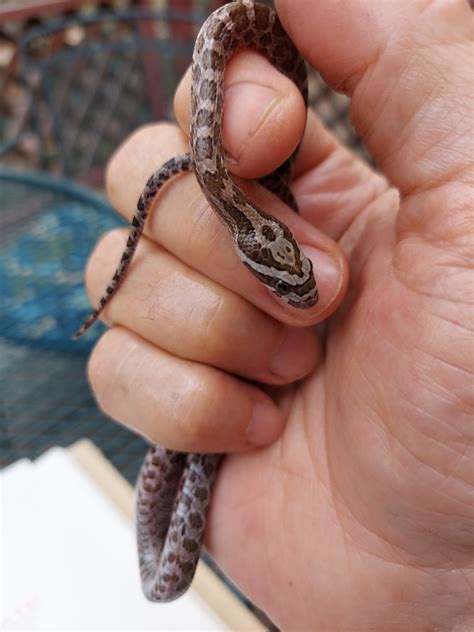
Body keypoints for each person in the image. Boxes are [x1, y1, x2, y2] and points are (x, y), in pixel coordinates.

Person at [84, 1, 473, 629]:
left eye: (290, 281)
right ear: (267, 241)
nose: (303, 297)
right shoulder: (242, 208)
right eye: (287, 285)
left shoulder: (247, 206)